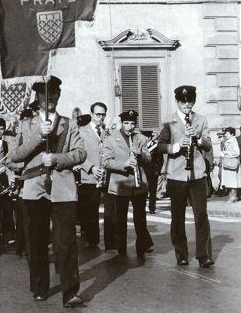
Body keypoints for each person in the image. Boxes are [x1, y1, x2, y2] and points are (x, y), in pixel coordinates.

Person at [9, 76, 87, 308]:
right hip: (35, 189)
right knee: (37, 240)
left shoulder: (69, 124)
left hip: (63, 188)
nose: (50, 97)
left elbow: (81, 153)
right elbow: (15, 155)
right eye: (45, 93)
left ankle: (70, 291)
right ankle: (40, 287)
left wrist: (58, 158)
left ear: (58, 95)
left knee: (66, 241)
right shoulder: (26, 124)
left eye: (53, 93)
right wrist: (38, 136)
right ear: (38, 97)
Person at [156, 85, 214, 267]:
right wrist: (177, 146)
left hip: (197, 174)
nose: (187, 105)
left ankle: (203, 255)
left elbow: (208, 145)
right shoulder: (169, 121)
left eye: (190, 102)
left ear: (194, 101)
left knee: (201, 216)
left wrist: (196, 137)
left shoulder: (201, 120)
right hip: (177, 174)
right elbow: (160, 146)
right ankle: (181, 254)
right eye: (183, 102)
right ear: (177, 102)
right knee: (178, 216)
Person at [102, 110, 154, 257]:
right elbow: (106, 161)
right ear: (121, 123)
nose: (129, 127)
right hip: (120, 184)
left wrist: (140, 154)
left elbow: (149, 159)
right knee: (120, 219)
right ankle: (121, 249)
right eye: (126, 123)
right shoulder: (111, 139)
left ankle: (141, 247)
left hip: (138, 185)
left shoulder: (141, 138)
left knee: (140, 218)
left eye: (132, 123)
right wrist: (124, 164)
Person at [77, 102, 108, 249]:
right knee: (91, 210)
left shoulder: (106, 132)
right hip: (89, 177)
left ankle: (110, 240)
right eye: (98, 114)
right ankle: (92, 240)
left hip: (105, 176)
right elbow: (77, 154)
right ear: (91, 114)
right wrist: (91, 168)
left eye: (103, 115)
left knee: (108, 210)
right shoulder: (82, 131)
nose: (100, 117)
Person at [219, 127, 239, 203]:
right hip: (228, 163)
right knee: (229, 181)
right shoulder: (227, 141)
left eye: (227, 133)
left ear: (232, 134)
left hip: (231, 164)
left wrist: (226, 153)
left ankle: (233, 196)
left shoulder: (233, 141)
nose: (225, 135)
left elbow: (237, 152)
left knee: (232, 181)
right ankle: (232, 196)